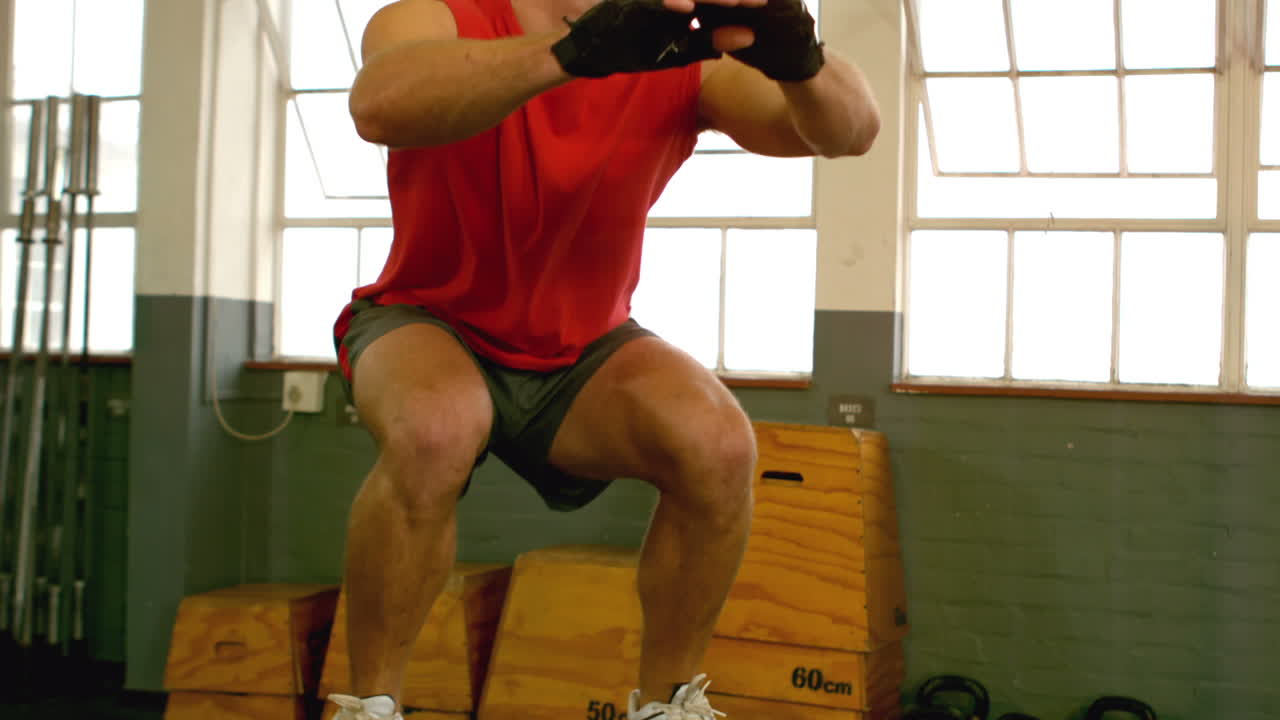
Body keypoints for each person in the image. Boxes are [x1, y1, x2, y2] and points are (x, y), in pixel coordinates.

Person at [326, 0, 881, 718]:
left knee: (716, 446)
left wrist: (802, 61)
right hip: (428, 317)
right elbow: (380, 106)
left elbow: (852, 131)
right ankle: (369, 704)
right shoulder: (433, 15)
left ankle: (667, 704)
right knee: (437, 428)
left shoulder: (681, 61)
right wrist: (571, 55)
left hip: (583, 345)